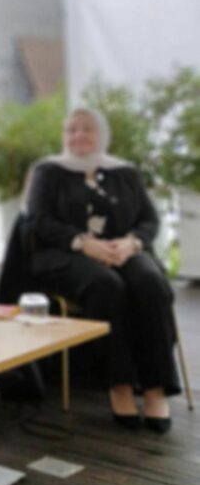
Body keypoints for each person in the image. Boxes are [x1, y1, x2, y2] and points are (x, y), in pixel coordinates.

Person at [25, 107, 178, 432]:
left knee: (149, 281)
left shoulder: (125, 172)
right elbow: (38, 221)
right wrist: (83, 243)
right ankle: (119, 383)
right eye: (72, 129)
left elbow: (150, 219)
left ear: (102, 135)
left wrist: (132, 243)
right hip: (65, 253)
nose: (78, 135)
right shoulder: (48, 171)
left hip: (122, 248)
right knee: (106, 284)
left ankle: (155, 388)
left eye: (87, 128)